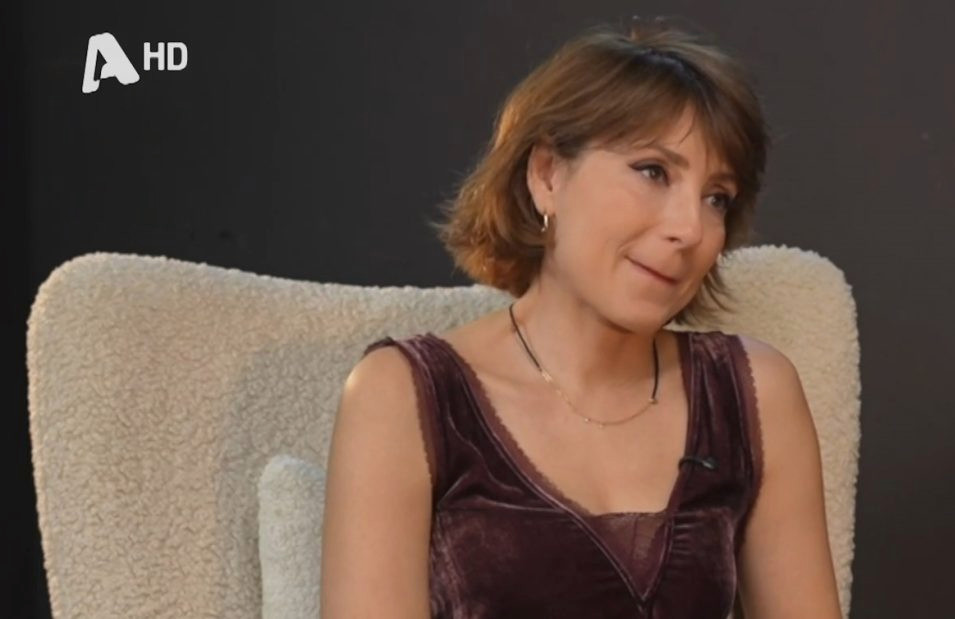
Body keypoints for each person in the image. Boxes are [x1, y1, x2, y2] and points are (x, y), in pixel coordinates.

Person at [321, 17, 842, 618]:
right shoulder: (402, 394)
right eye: (653, 171)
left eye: (716, 198)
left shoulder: (754, 393)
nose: (690, 228)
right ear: (547, 174)